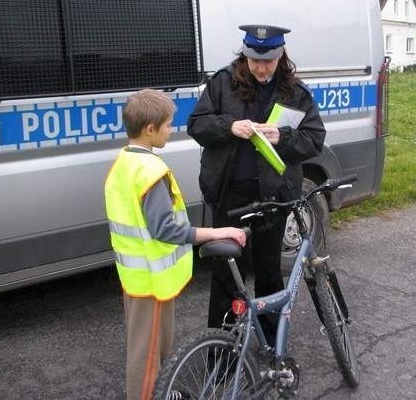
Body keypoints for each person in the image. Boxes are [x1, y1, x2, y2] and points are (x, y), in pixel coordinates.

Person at [187, 25, 326, 346]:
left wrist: (284, 136)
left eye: (269, 61)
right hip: (229, 196)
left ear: (281, 56)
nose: (261, 67)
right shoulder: (223, 82)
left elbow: (315, 139)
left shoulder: (296, 92)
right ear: (245, 54)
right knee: (225, 275)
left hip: (272, 198)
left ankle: (270, 346)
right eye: (254, 60)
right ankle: (221, 353)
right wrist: (229, 126)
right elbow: (196, 124)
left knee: (268, 274)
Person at [104, 89, 246, 400]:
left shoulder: (123, 162)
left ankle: (162, 391)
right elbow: (165, 229)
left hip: (136, 278)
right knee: (147, 354)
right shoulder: (151, 172)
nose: (172, 129)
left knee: (151, 346)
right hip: (151, 282)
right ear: (150, 129)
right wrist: (216, 232)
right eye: (168, 125)